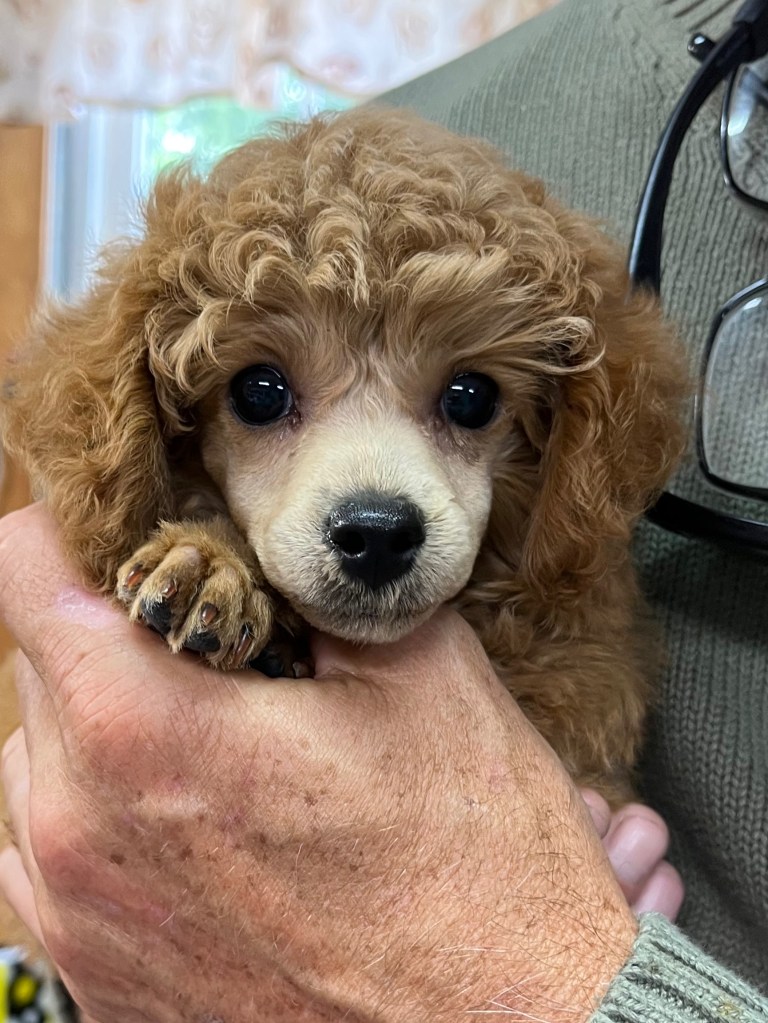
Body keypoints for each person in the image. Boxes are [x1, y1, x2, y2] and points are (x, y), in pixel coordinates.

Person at [2, 0, 768, 1020]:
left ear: (567, 430)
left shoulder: (578, 605)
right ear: (157, 419)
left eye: (468, 402)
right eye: (263, 396)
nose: (374, 505)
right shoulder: (484, 86)